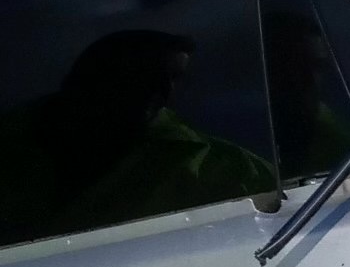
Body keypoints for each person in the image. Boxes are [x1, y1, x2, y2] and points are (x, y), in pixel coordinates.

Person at [0, 28, 275, 247]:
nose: (163, 89)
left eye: (176, 78)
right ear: (92, 77)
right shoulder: (13, 150)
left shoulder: (222, 167)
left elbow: (288, 215)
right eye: (147, 74)